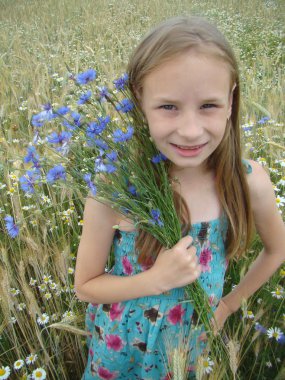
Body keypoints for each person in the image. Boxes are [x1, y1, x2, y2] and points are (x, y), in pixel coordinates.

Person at [75, 16, 285, 379]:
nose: (190, 131)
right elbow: (85, 286)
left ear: (231, 102)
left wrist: (230, 304)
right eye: (168, 106)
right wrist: (155, 280)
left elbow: (277, 249)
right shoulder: (116, 187)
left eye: (209, 106)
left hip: (188, 350)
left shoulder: (248, 182)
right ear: (140, 101)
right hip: (118, 353)